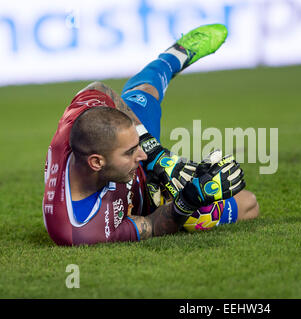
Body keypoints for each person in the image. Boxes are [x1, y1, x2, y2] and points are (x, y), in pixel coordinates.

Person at [42, 24, 259, 246]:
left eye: (136, 148)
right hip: (144, 201)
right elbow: (153, 225)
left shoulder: (74, 126)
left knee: (143, 93)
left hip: (122, 157)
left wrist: (153, 151)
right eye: (130, 152)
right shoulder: (82, 229)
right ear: (96, 162)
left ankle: (176, 54)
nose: (141, 156)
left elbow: (98, 88)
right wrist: (189, 199)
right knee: (248, 204)